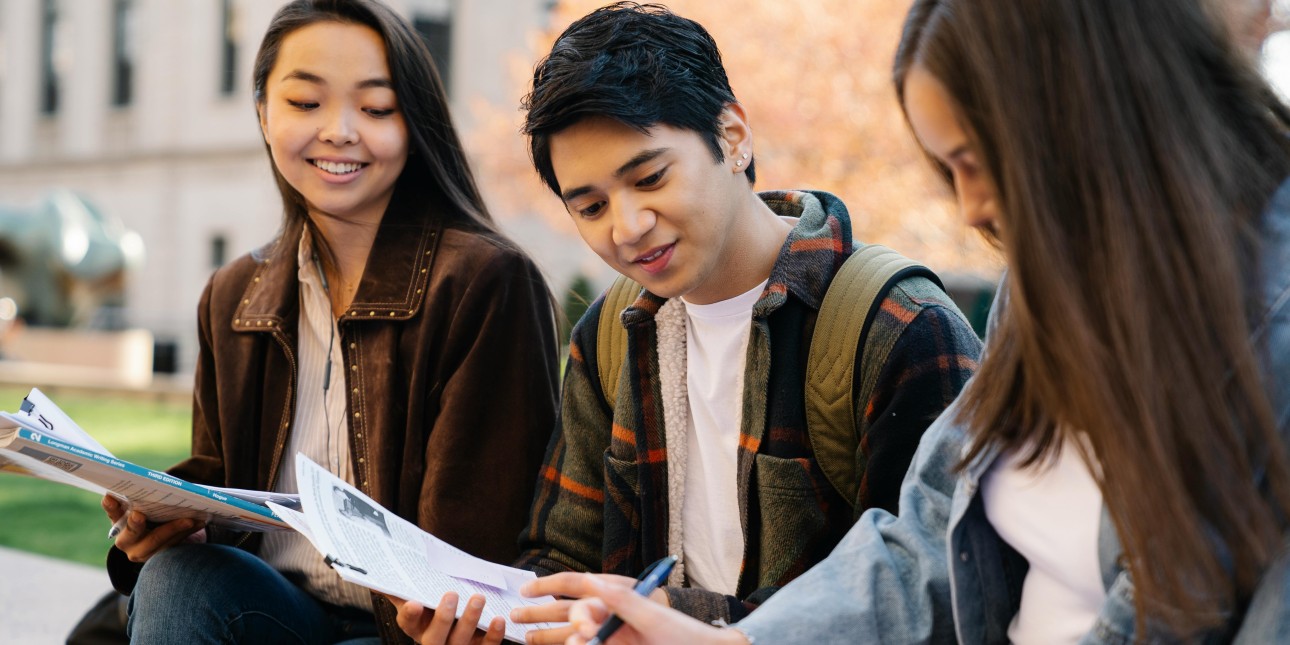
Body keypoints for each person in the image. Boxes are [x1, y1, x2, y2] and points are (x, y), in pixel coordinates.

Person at [553, 0, 1290, 643]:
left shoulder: (898, 322)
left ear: (1086, 116)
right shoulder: (1043, 293)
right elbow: (930, 536)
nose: (969, 207)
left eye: (979, 160)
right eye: (588, 206)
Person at [393, 3, 982, 644]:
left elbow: (931, 597)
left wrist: (680, 618)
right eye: (590, 207)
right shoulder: (613, 333)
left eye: (650, 177)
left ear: (732, 137)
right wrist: (510, 622)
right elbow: (560, 558)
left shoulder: (898, 326)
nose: (627, 227)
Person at [100, 1, 559, 643]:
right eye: (305, 103)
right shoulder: (233, 294)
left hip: (407, 632)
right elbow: (228, 491)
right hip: (274, 611)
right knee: (179, 576)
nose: (340, 131)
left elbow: (477, 545)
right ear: (263, 113)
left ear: (414, 124)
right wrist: (172, 523)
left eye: (375, 108)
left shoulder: (484, 283)